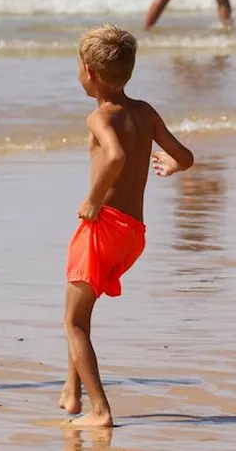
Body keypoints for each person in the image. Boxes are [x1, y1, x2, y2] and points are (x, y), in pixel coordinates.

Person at [62, 25, 194, 426]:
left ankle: (100, 411)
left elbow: (115, 156)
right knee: (80, 312)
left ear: (89, 71)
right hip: (133, 233)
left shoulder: (99, 117)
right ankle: (71, 393)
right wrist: (170, 164)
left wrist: (92, 200)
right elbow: (185, 156)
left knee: (73, 321)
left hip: (103, 226)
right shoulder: (146, 112)